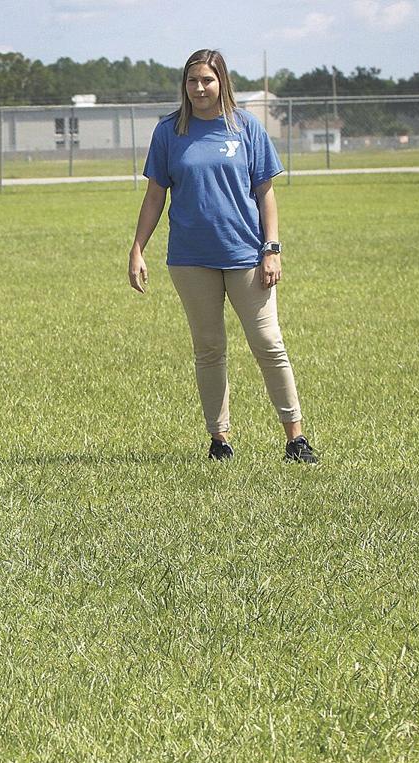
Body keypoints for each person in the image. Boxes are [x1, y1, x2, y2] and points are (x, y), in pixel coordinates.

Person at [128, 48, 318, 464]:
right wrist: (138, 247)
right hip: (190, 258)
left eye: (207, 80)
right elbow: (155, 195)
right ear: (185, 85)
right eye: (192, 80)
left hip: (247, 255)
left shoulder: (246, 127)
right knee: (209, 348)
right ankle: (220, 439)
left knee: (269, 344)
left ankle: (296, 439)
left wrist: (272, 248)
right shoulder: (169, 132)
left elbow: (265, 192)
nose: (199, 88)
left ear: (222, 82)